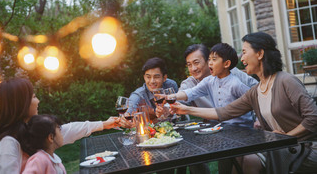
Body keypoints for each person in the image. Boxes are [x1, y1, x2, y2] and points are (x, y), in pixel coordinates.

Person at [170, 32, 317, 174]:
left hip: (305, 148)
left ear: (260, 54)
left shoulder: (286, 81)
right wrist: (185, 110)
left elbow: (313, 118)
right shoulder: (256, 91)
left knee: (248, 160)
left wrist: (285, 139)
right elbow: (224, 112)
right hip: (280, 146)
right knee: (239, 159)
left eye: (245, 52)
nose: (242, 58)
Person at [0, 77, 119, 174]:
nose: (38, 100)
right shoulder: (6, 145)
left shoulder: (27, 130)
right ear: (20, 103)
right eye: (34, 96)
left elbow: (65, 131)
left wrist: (103, 124)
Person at [168, 43, 254, 128]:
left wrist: (258, 120)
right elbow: (188, 94)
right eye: (189, 65)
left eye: (196, 62)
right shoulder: (202, 82)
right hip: (219, 127)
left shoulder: (234, 78)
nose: (193, 68)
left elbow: (255, 97)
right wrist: (168, 100)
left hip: (243, 127)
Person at [124, 57, 178, 124]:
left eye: (156, 77)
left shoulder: (170, 85)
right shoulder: (139, 95)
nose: (152, 81)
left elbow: (180, 107)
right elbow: (130, 108)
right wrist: (127, 116)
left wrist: (168, 110)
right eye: (148, 77)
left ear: (164, 78)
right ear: (144, 77)